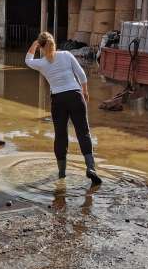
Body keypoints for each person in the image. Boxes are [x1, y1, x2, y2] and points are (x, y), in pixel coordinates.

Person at [25, 32, 102, 185]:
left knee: (60, 135)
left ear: (41, 47)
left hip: (58, 100)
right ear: (54, 42)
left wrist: (34, 44)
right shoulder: (66, 54)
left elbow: (27, 60)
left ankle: (62, 173)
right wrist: (85, 92)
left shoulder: (41, 63)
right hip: (75, 95)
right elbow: (82, 75)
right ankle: (90, 168)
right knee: (83, 132)